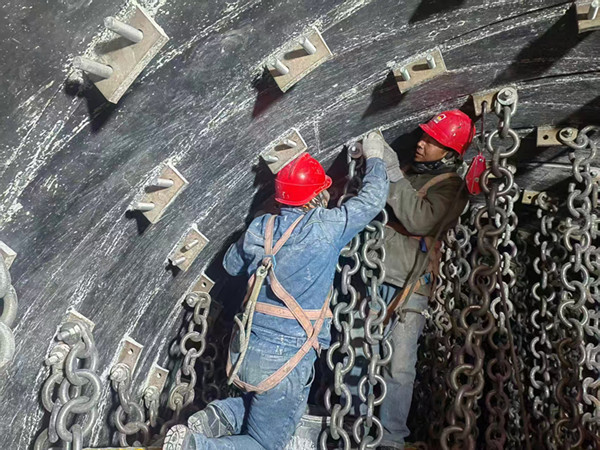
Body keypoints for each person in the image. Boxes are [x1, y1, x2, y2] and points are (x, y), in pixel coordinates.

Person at [163, 134, 390, 450]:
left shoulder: (261, 228)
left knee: (275, 409)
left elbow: (230, 265)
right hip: (288, 358)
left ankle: (221, 415)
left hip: (248, 350)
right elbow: (372, 201)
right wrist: (375, 157)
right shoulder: (326, 227)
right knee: (266, 443)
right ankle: (195, 446)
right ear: (314, 197)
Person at [376, 110, 475, 450]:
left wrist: (391, 173)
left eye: (432, 142)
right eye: (423, 137)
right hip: (375, 276)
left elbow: (420, 220)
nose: (421, 144)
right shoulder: (408, 173)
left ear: (449, 154)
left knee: (399, 367)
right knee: (358, 354)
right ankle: (353, 425)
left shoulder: (451, 188)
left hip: (409, 286)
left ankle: (390, 439)